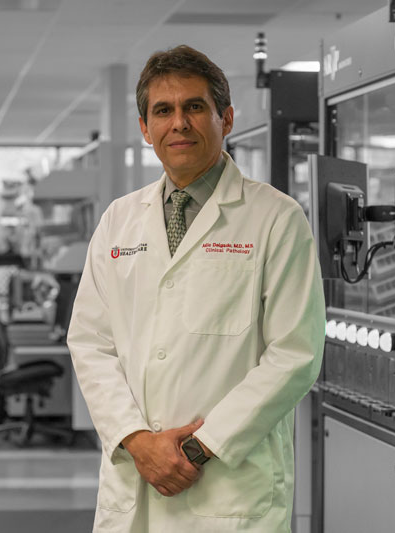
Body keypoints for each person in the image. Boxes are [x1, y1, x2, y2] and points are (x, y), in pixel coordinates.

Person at [67, 45, 325, 532]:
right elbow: (90, 342)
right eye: (163, 111)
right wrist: (138, 441)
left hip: (226, 486)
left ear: (225, 118)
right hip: (135, 481)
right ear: (145, 128)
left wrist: (195, 449)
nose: (178, 123)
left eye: (194, 107)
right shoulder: (119, 221)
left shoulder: (276, 218)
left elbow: (296, 353)